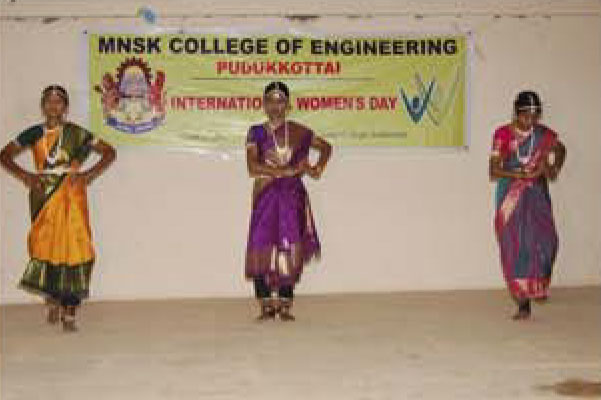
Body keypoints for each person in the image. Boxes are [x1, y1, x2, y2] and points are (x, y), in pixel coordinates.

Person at [0, 85, 116, 331]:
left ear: (66, 106)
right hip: (44, 195)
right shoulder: (34, 133)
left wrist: (89, 175)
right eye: (49, 101)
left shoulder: (76, 133)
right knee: (46, 246)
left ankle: (70, 308)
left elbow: (109, 151)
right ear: (43, 106)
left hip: (72, 194)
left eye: (59, 101)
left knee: (75, 246)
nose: (53, 106)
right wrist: (26, 176)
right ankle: (52, 299)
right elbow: (5, 155)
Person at [245, 81, 332, 321]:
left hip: (292, 196)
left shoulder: (300, 132)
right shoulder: (256, 132)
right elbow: (252, 166)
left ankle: (285, 301)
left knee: (290, 242)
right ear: (264, 104)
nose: (275, 106)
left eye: (280, 101)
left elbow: (326, 147)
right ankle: (265, 302)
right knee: (261, 243)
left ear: (288, 105)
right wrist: (284, 171)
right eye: (270, 101)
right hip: (265, 194)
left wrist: (316, 169)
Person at [489, 91, 566, 320]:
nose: (531, 121)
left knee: (548, 241)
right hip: (511, 196)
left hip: (537, 194)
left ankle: (538, 283)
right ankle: (523, 303)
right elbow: (493, 170)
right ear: (516, 113)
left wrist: (553, 168)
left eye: (535, 116)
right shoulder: (502, 134)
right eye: (526, 116)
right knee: (515, 245)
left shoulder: (542, 134)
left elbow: (560, 149)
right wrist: (521, 174)